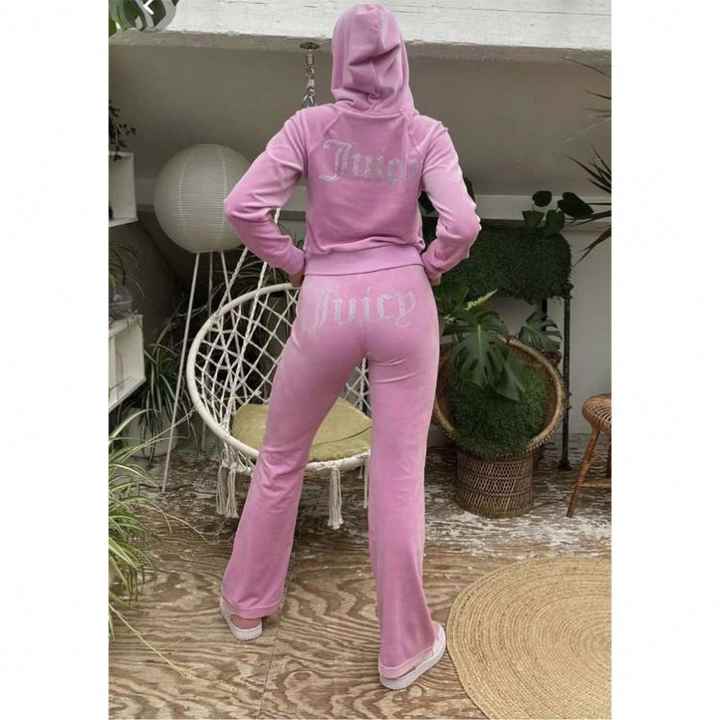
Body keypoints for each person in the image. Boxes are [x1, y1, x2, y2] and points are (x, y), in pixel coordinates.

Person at [219, 2, 481, 690]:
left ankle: (247, 606)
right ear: (401, 60)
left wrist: (295, 262)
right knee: (397, 475)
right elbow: (461, 222)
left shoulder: (309, 126)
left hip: (327, 300)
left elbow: (244, 207)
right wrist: (431, 265)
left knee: (281, 456)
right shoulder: (426, 133)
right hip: (403, 302)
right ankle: (403, 649)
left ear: (338, 59)